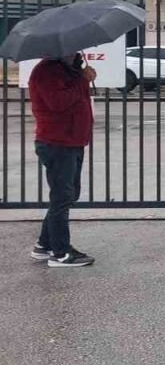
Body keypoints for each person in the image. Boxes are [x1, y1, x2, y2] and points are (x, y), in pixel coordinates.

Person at [27, 53, 97, 267]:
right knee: (62, 197)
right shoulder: (46, 71)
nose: (76, 51)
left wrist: (82, 76)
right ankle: (60, 253)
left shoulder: (69, 69)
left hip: (72, 141)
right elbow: (58, 102)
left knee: (68, 194)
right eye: (71, 49)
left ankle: (44, 244)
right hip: (57, 143)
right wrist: (83, 79)